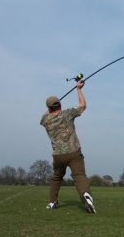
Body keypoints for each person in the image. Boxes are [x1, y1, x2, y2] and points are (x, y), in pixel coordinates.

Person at [40, 80, 96, 213]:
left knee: (57, 177)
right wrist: (79, 89)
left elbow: (45, 114)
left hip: (58, 155)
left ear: (49, 108)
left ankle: (53, 202)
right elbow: (83, 105)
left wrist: (50, 109)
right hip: (74, 152)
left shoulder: (45, 120)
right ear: (60, 104)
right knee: (79, 175)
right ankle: (85, 194)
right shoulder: (68, 114)